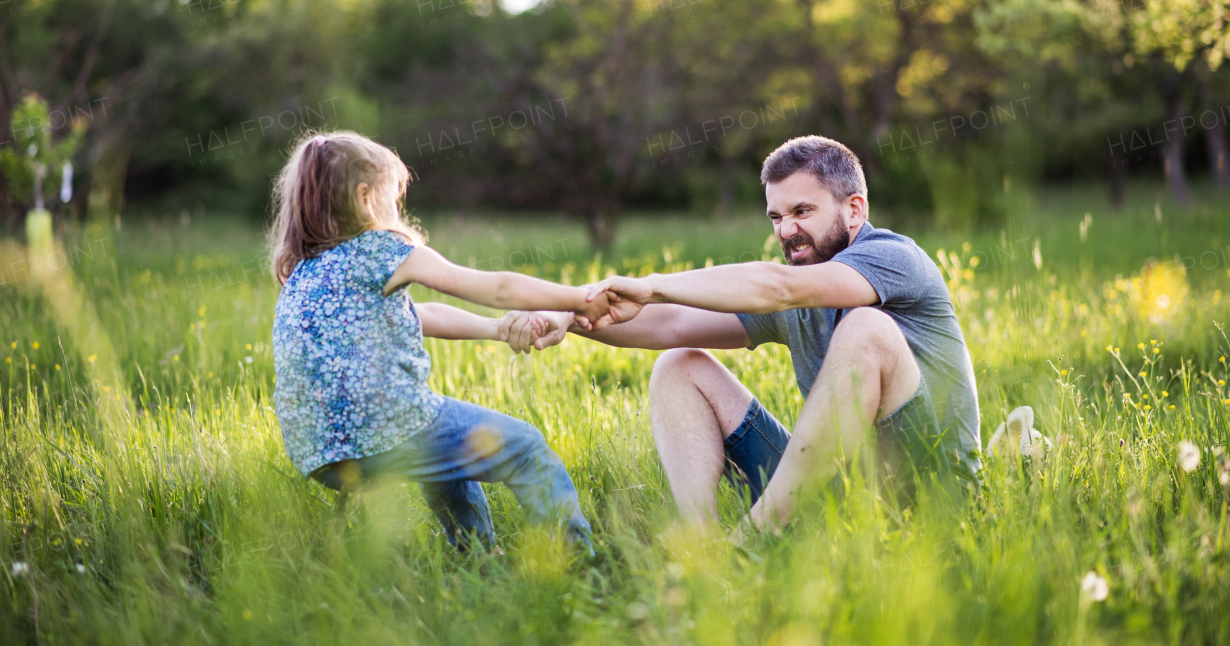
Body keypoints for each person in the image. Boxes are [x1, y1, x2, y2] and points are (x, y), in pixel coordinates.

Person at [503, 136, 981, 534]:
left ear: (854, 209)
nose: (787, 230)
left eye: (802, 211)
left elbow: (778, 288)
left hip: (935, 501)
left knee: (866, 327)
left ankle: (755, 539)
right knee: (679, 364)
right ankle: (702, 542)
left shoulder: (894, 260)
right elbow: (670, 323)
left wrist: (650, 285)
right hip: (842, 501)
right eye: (776, 217)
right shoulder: (799, 291)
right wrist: (567, 314)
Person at [268, 131, 630, 551]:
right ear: (366, 197)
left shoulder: (306, 273)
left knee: (445, 457)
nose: (396, 208)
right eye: (392, 196)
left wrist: (498, 330)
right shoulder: (381, 249)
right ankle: (580, 565)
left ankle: (475, 560)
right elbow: (496, 288)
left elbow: (424, 315)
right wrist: (580, 300)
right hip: (383, 431)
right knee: (526, 448)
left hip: (319, 452)